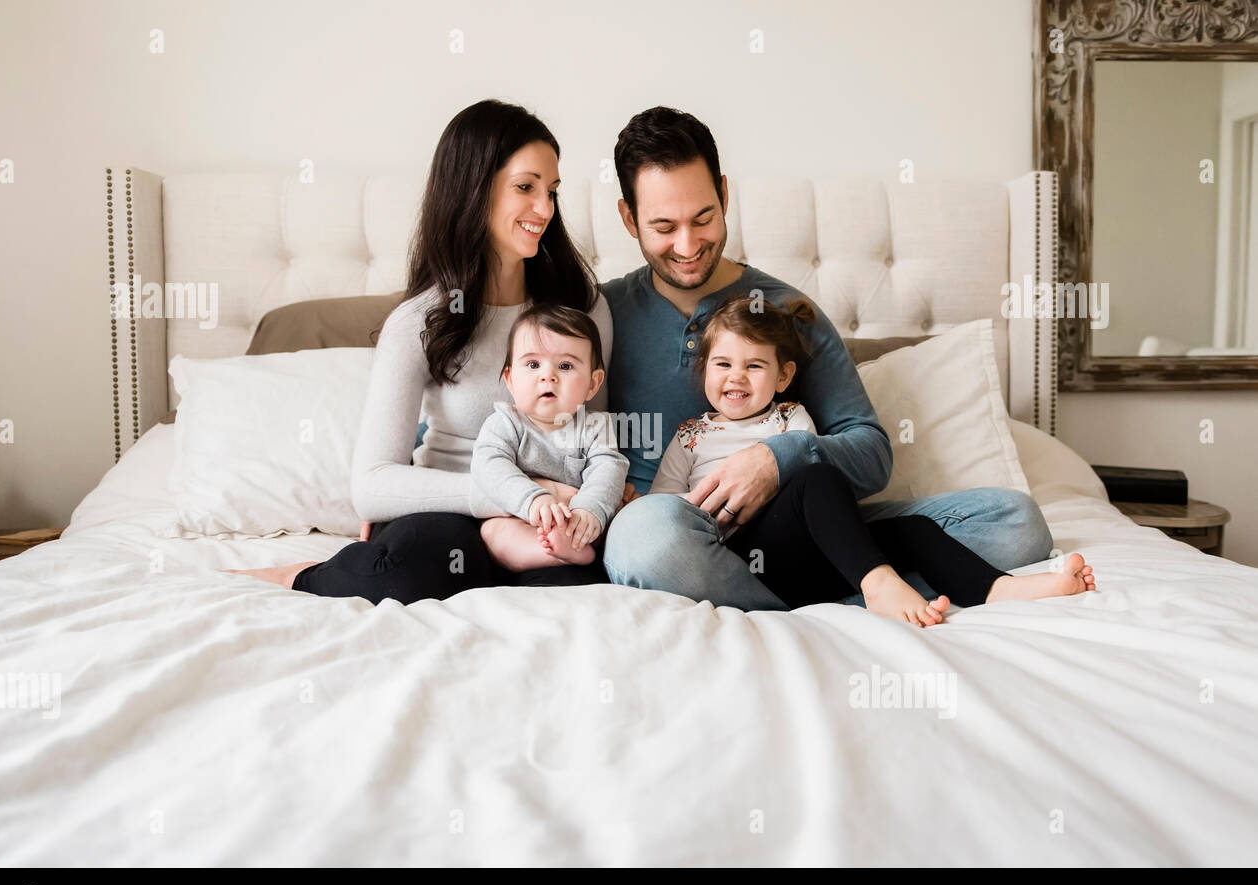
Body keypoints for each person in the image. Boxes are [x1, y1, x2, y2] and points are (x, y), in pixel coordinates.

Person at [600, 106, 1056, 612]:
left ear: (724, 195)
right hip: (671, 535)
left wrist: (777, 459)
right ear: (628, 218)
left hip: (796, 529)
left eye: (703, 218)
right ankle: (827, 597)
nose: (687, 244)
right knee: (644, 537)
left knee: (1016, 522)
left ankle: (846, 582)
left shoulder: (787, 312)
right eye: (664, 226)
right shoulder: (601, 314)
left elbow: (871, 452)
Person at [226, 99, 626, 602]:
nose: (545, 209)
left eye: (552, 191)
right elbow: (371, 483)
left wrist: (581, 504)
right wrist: (504, 496)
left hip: (552, 522)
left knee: (577, 591)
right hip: (452, 512)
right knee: (413, 570)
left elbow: (596, 437)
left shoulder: (581, 308)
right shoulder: (420, 321)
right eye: (525, 187)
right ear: (473, 189)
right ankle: (303, 574)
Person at [648, 294, 1096, 625]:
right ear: (704, 370)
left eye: (754, 366)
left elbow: (814, 498)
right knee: (817, 478)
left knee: (907, 527)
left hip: (815, 555)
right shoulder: (692, 436)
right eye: (722, 364)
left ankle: (999, 588)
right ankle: (878, 584)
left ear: (784, 376)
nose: (736, 377)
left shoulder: (792, 420)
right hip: (740, 557)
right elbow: (664, 508)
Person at [472, 304, 628, 572]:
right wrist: (533, 499)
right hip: (522, 518)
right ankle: (545, 552)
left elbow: (609, 469)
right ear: (510, 379)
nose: (548, 376)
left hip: (576, 520)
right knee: (493, 532)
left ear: (593, 384)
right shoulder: (504, 423)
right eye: (533, 364)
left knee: (605, 522)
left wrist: (588, 510)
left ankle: (575, 547)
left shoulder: (595, 426)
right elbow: (488, 466)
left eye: (565, 366)